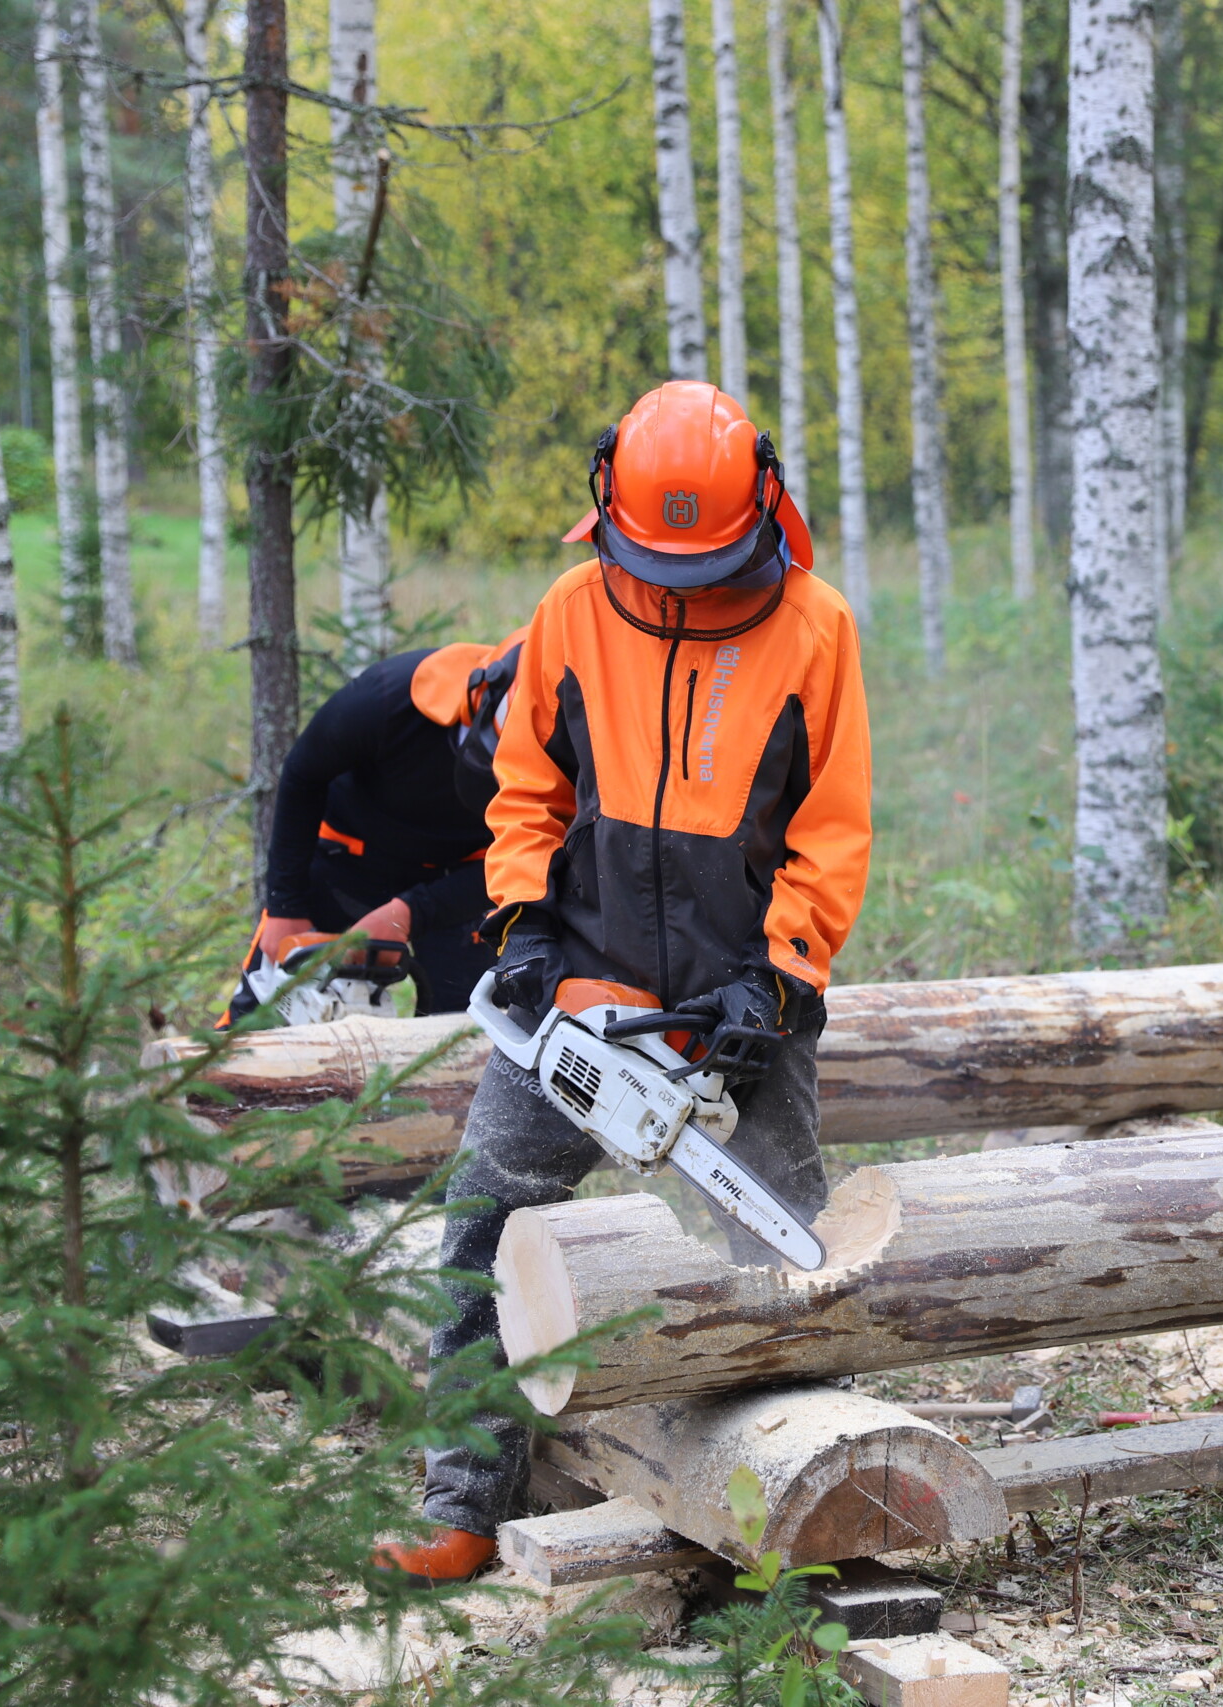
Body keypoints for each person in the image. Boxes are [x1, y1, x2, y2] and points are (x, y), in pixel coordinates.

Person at [373, 380, 872, 1586]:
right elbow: (527, 790)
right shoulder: (571, 612)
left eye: (709, 566)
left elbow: (833, 828)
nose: (686, 590)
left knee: (783, 1254)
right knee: (483, 1226)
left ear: (763, 509)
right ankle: (462, 1504)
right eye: (665, 564)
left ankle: (819, 1497)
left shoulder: (813, 627)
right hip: (579, 991)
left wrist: (780, 979)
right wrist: (526, 930)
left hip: (734, 1001)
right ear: (610, 512)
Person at [225, 634, 525, 1024]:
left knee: (468, 1029)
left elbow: (531, 855)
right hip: (348, 856)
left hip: (465, 878)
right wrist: (285, 905)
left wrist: (412, 912)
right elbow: (303, 772)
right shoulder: (390, 696)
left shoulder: (572, 750)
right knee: (259, 1014)